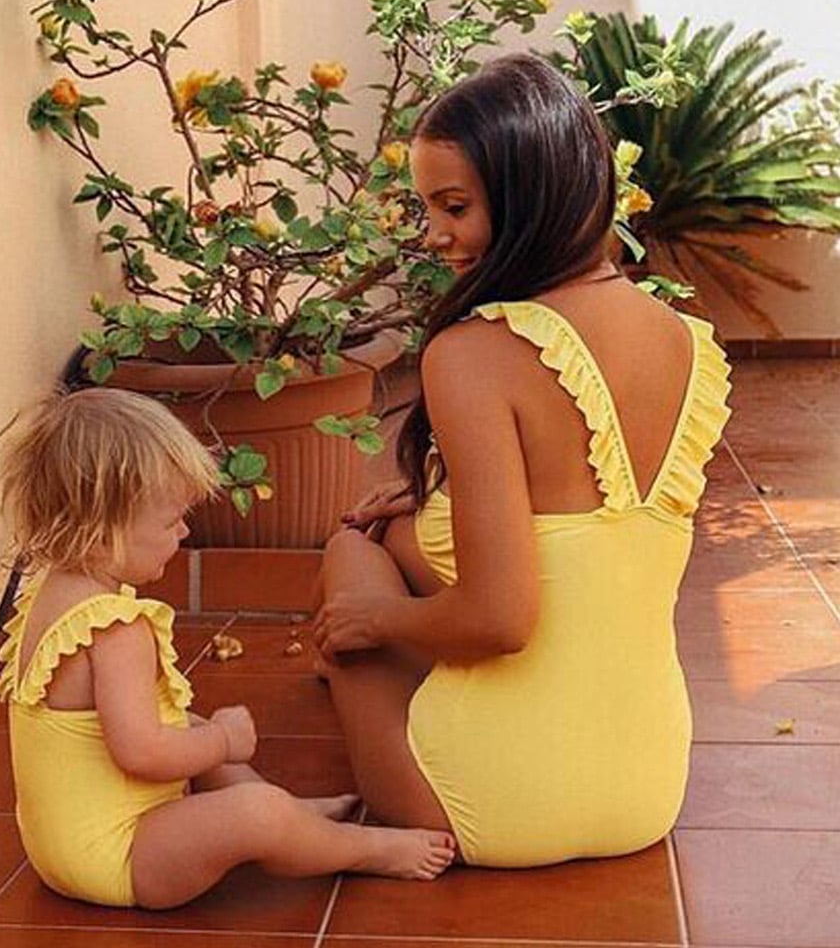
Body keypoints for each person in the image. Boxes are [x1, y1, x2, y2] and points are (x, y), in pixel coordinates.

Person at [312, 53, 732, 867]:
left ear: (530, 194)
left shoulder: (475, 354)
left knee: (350, 554)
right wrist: (432, 496)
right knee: (403, 536)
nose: (434, 235)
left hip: (482, 808)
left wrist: (375, 621)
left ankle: (354, 663)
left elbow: (501, 620)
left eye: (455, 207)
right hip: (646, 790)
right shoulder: (689, 343)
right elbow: (582, 539)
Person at [0, 387, 455, 909]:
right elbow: (143, 753)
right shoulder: (116, 631)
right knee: (254, 813)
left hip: (60, 850)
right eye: (170, 522)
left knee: (185, 725)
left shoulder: (50, 595)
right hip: (121, 857)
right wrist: (224, 742)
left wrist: (201, 734)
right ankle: (363, 848)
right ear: (103, 532)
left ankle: (295, 817)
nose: (185, 532)